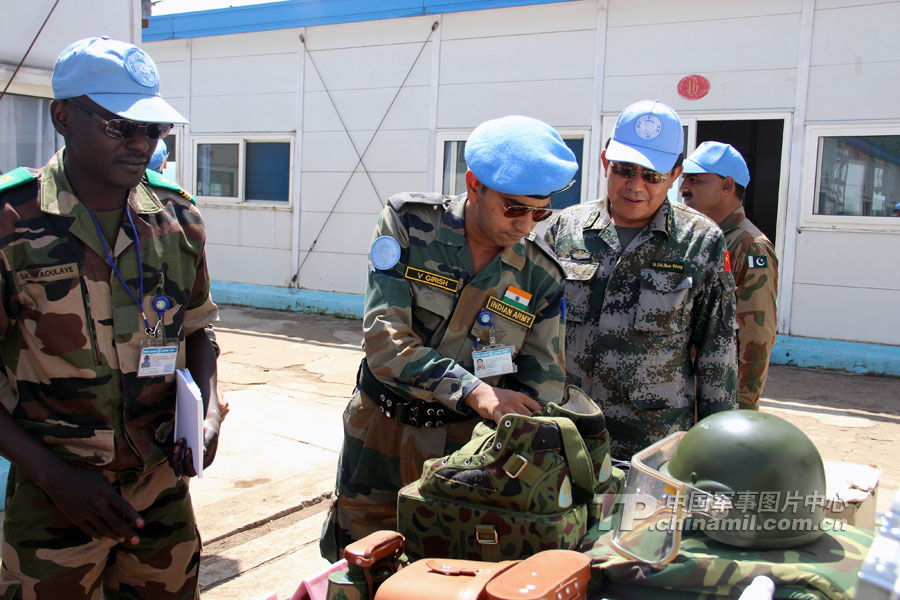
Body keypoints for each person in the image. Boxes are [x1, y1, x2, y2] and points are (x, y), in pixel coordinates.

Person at [0, 37, 220, 598]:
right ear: (64, 117)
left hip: (161, 493)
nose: (142, 145)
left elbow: (199, 331)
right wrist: (55, 478)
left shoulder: (178, 222)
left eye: (154, 130)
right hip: (55, 501)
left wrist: (210, 411)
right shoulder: (10, 224)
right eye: (121, 127)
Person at [320, 115, 576, 561]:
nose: (526, 225)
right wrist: (474, 389)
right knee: (358, 564)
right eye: (515, 208)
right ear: (473, 184)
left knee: (443, 570)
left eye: (541, 212)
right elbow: (386, 343)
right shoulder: (410, 226)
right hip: (379, 435)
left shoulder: (542, 276)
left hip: (463, 457)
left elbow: (543, 385)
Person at [545, 99, 737, 460]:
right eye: (624, 170)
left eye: (651, 176)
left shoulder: (700, 241)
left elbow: (718, 354)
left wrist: (718, 449)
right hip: (566, 430)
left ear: (675, 175)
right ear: (605, 162)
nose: (635, 186)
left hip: (651, 442)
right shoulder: (565, 229)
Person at [680, 142, 778, 410]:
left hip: (720, 396)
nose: (683, 188)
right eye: (685, 178)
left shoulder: (749, 246)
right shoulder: (696, 240)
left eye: (696, 180)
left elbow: (756, 332)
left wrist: (743, 405)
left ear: (727, 186)